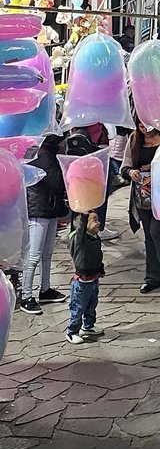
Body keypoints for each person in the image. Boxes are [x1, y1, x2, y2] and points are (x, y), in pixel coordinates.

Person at [121, 124, 160, 296]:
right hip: (142, 197)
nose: (145, 129)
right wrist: (131, 172)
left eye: (147, 125)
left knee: (157, 231)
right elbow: (124, 166)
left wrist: (154, 167)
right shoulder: (134, 140)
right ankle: (152, 277)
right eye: (141, 125)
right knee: (149, 236)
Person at [19, 133, 68, 315]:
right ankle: (26, 295)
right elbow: (55, 182)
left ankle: (45, 289)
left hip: (49, 207)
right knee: (34, 256)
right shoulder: (44, 155)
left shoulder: (47, 153)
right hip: (39, 209)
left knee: (47, 254)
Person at [65, 210, 105, 344]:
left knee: (91, 306)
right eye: (94, 220)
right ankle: (72, 332)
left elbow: (98, 256)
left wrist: (101, 269)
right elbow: (81, 229)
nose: (98, 223)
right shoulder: (80, 240)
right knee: (78, 308)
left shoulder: (95, 237)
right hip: (82, 283)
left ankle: (88, 326)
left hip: (93, 280)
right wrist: (84, 216)